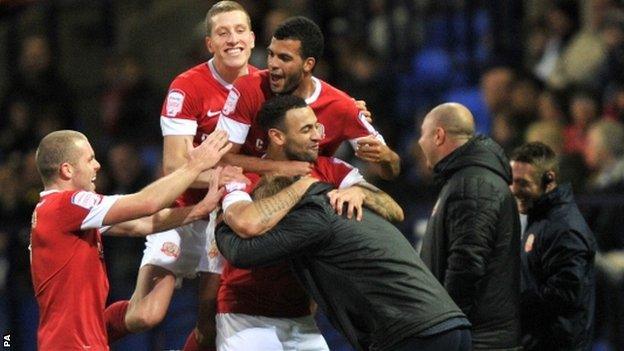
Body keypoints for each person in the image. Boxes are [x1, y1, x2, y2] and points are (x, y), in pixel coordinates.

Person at [109, 3, 259, 350]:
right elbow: (176, 168)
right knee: (145, 315)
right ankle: (87, 336)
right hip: (181, 215)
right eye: (223, 33)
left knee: (209, 326)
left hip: (227, 219)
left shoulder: (266, 87)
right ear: (209, 43)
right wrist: (230, 176)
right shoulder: (187, 87)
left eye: (239, 31)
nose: (232, 39)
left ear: (252, 39)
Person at [215, 95, 404, 350]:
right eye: (307, 130)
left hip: (301, 316)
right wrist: (305, 185)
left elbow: (395, 210)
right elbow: (247, 223)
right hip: (246, 315)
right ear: (277, 137)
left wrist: (360, 192)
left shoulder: (329, 168)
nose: (318, 136)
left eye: (317, 127)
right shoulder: (244, 175)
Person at [216, 177, 472, 351]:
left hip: (414, 334)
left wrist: (224, 216)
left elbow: (242, 253)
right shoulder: (348, 209)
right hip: (451, 327)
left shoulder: (312, 216)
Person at [29, 129, 230, 350]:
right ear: (66, 170)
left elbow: (139, 224)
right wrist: (195, 165)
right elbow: (147, 203)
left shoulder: (60, 213)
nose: (97, 165)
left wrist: (199, 210)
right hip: (72, 346)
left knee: (145, 313)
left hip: (78, 343)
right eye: (89, 159)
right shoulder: (67, 205)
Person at [217, 16, 401, 180]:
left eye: (284, 58)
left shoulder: (341, 106)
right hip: (247, 192)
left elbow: (389, 171)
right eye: (271, 54)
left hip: (309, 199)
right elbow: (222, 159)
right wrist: (279, 168)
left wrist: (387, 158)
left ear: (308, 64)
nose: (273, 64)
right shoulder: (249, 88)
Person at [417, 102, 522, 350]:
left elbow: (467, 262)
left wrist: (446, 329)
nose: (419, 142)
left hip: (478, 340)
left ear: (438, 135)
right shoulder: (465, 178)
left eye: (423, 133)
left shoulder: (474, 183)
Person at [509, 142, 596, 351]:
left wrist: (511, 301)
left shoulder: (565, 229)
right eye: (511, 182)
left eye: (523, 183)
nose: (514, 190)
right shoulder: (540, 219)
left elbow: (564, 294)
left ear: (549, 180)